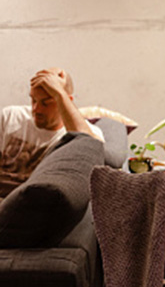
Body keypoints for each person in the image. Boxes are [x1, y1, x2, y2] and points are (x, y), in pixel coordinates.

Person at [0, 67, 104, 197]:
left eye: (46, 103)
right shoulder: (11, 116)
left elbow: (91, 150)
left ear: (66, 101)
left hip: (25, 205)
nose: (36, 109)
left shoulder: (86, 132)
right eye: (33, 100)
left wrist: (59, 92)